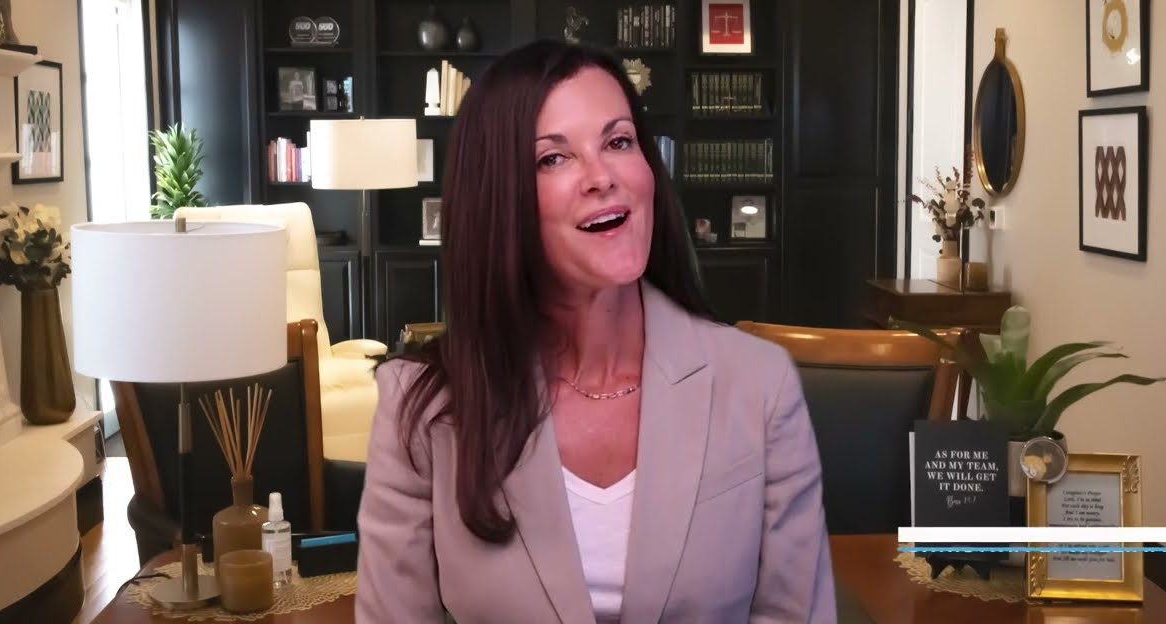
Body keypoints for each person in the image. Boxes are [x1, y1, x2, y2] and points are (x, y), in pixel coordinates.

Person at [355, 39, 835, 623]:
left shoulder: (759, 384)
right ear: (499, 200)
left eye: (618, 141)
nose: (602, 176)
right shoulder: (421, 408)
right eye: (552, 158)